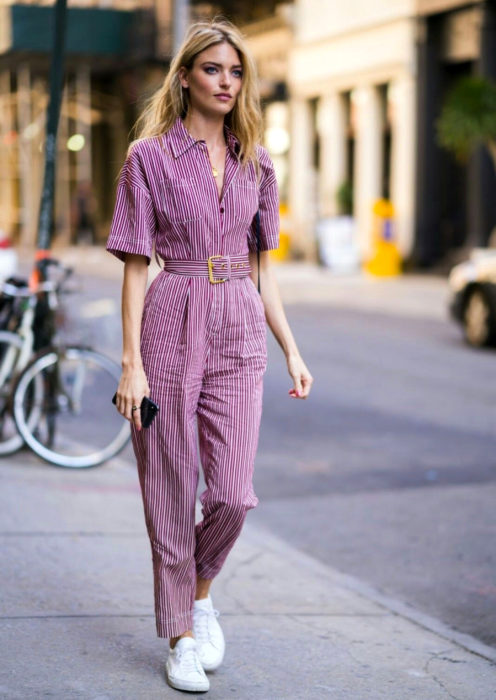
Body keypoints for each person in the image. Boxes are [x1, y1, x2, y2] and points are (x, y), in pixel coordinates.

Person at [106, 17, 313, 694]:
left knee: (231, 493)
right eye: (213, 70)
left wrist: (291, 348)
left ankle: (199, 593)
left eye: (236, 72)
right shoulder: (148, 159)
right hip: (172, 313)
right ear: (186, 77)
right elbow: (136, 266)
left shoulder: (258, 161)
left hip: (241, 328)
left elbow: (262, 269)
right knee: (169, 484)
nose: (227, 83)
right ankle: (182, 637)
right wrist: (131, 362)